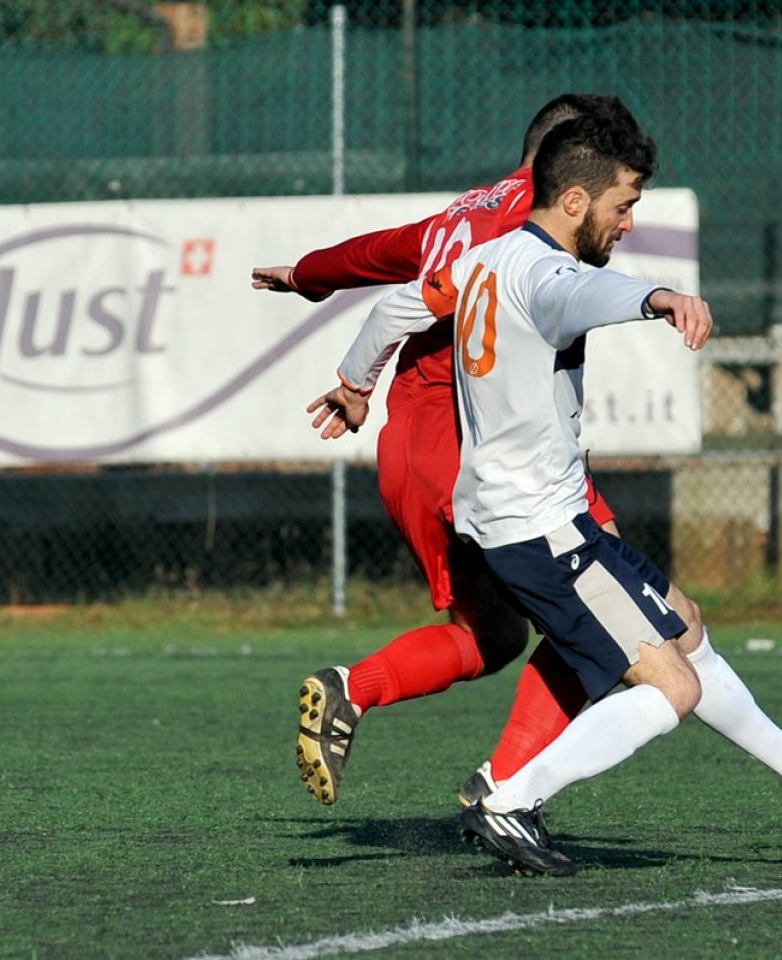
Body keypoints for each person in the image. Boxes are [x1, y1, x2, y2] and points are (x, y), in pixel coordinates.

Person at [385, 113, 782, 876]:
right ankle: (508, 799)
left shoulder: (486, 256)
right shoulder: (545, 272)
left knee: (684, 622)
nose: (630, 220)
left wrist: (351, 380)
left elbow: (391, 308)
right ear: (574, 200)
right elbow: (589, 294)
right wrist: (661, 299)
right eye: (624, 203)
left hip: (544, 516)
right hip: (542, 531)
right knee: (669, 689)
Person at [254, 95, 639, 808]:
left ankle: (353, 689)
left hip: (409, 451)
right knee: (619, 616)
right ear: (570, 160)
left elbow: (376, 254)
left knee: (493, 636)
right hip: (481, 450)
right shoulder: (536, 218)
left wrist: (306, 277)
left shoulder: (458, 215)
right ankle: (505, 794)